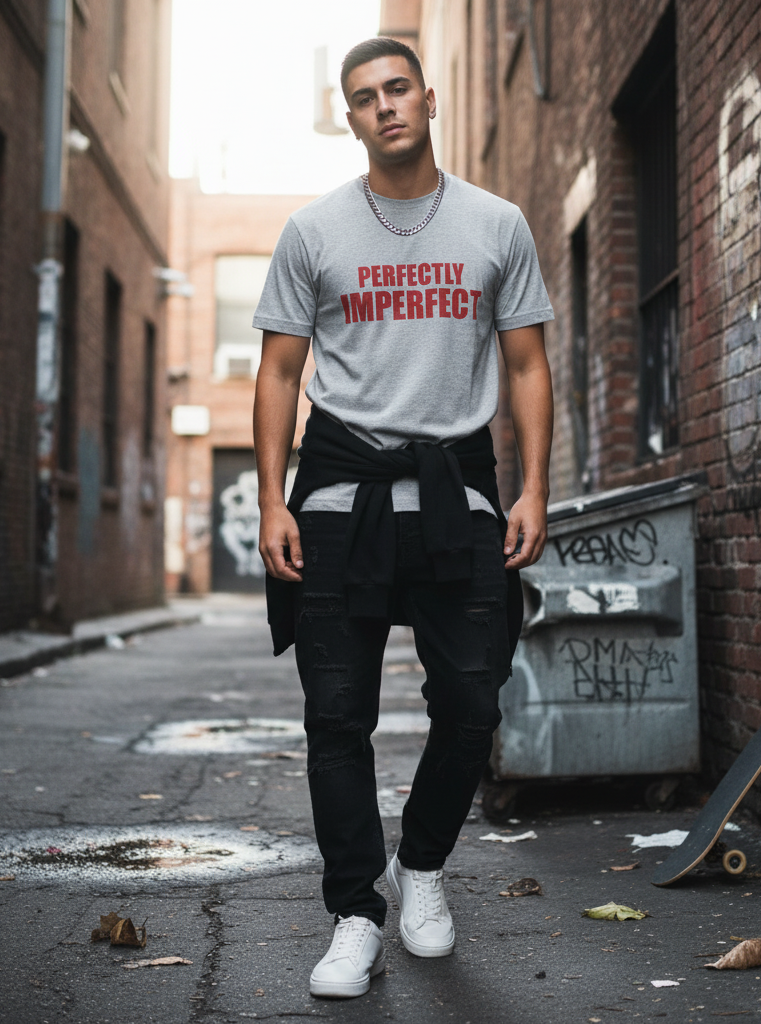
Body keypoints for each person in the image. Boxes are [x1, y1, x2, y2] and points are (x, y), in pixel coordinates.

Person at [252, 36, 554, 1000]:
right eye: (363, 97)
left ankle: (420, 868)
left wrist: (533, 488)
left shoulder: (497, 224)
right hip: (338, 502)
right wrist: (271, 500)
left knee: (472, 702)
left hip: (457, 498)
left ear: (429, 98)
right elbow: (279, 372)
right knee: (335, 718)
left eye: (397, 89)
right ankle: (354, 912)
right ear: (350, 118)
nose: (384, 107)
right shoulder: (312, 231)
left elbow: (526, 365)